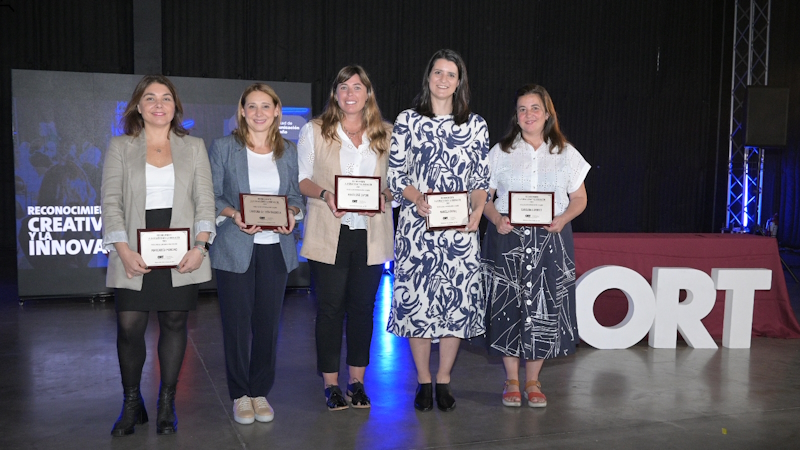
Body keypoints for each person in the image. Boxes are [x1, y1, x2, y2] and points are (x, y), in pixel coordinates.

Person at [102, 75, 215, 436]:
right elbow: (111, 203)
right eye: (150, 98)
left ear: (175, 107)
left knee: (174, 323)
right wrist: (122, 250)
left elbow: (205, 202)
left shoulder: (194, 146)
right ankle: (132, 404)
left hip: (181, 247)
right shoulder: (120, 146)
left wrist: (201, 247)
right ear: (138, 106)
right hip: (133, 247)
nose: (158, 104)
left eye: (166, 98)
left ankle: (167, 402)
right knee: (129, 327)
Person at [387, 49, 490, 412]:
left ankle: (443, 379)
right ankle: (423, 380)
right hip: (418, 229)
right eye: (437, 72)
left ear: (459, 81)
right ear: (428, 77)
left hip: (460, 231)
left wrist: (478, 209)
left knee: (454, 306)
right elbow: (396, 175)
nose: (443, 79)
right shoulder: (407, 120)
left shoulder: (475, 124)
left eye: (451, 74)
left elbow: (480, 179)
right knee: (419, 306)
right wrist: (416, 198)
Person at [481, 84, 589, 408]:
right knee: (508, 307)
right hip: (507, 236)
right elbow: (482, 197)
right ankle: (512, 379)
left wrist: (563, 217)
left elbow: (581, 199)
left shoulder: (566, 153)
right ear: (516, 116)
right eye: (522, 109)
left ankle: (533, 380)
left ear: (547, 114)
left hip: (551, 238)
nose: (528, 115)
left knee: (545, 306)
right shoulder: (500, 151)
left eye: (535, 109)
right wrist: (495, 217)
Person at [297, 65, 394, 410]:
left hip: (370, 234)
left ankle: (357, 382)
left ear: (368, 93)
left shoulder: (386, 133)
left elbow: (394, 184)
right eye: (343, 87)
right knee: (329, 309)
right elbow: (303, 180)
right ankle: (331, 384)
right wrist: (326, 195)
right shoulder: (315, 130)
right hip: (330, 231)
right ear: (335, 94)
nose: (350, 94)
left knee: (363, 310)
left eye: (357, 87)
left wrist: (384, 197)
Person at [208, 83, 304, 424]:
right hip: (235, 247)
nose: (259, 113)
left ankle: (259, 390)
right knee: (235, 325)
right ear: (242, 111)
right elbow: (213, 196)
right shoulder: (223, 148)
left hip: (275, 250)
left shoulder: (289, 151)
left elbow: (295, 195)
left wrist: (292, 214)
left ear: (277, 111)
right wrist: (235, 215)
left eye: (267, 106)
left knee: (268, 325)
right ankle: (240, 395)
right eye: (252, 106)